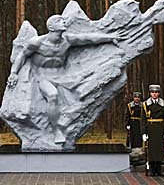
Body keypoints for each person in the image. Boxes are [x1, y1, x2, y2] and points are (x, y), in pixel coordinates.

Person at [7, 14, 126, 143]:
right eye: (60, 21)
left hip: (64, 77)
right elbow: (22, 55)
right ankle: (56, 130)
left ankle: (67, 123)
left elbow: (88, 39)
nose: (64, 22)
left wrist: (109, 38)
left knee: (84, 94)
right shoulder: (37, 42)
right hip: (43, 77)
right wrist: (14, 73)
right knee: (53, 95)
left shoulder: (67, 40)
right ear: (51, 27)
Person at [141, 84, 164, 177]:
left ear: (159, 93)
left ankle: (159, 169)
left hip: (160, 128)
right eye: (153, 92)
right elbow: (143, 119)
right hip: (150, 128)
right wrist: (144, 132)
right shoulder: (145, 104)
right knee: (152, 150)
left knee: (160, 149)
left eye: (156, 92)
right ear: (150, 93)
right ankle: (152, 170)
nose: (154, 94)